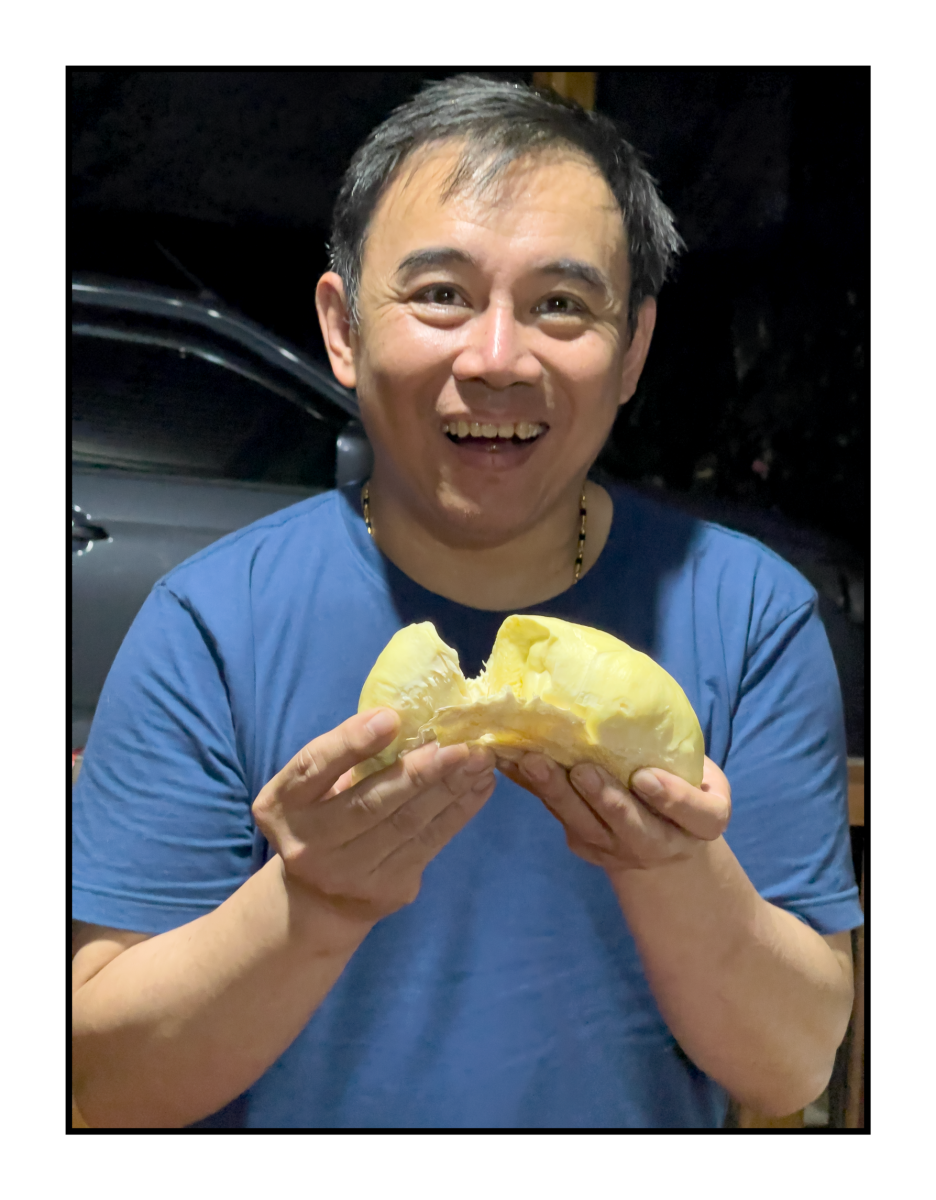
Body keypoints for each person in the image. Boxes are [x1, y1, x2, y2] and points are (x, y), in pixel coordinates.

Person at [71, 75, 861, 1129]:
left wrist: (677, 870)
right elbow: (101, 1085)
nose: (496, 360)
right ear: (343, 329)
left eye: (561, 305)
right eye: (441, 294)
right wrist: (312, 900)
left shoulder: (750, 613)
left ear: (633, 349)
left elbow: (795, 1067)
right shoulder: (210, 625)